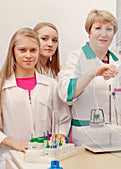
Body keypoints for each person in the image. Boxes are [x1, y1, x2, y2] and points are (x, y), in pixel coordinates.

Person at [58, 9, 121, 145]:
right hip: (89, 137)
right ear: (89, 31)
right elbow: (66, 92)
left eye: (109, 29)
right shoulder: (76, 58)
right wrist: (93, 73)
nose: (104, 34)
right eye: (98, 28)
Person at [0, 28, 71, 167]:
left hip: (45, 157)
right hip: (11, 156)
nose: (28, 55)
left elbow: (63, 118)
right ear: (13, 52)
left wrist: (60, 136)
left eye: (33, 50)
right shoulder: (3, 86)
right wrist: (11, 142)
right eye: (22, 50)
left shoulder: (51, 85)